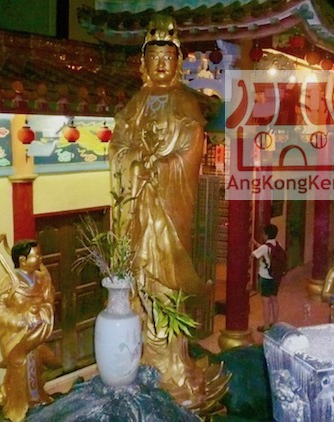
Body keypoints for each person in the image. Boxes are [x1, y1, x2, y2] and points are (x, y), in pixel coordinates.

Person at [108, 15, 226, 411]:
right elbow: (117, 149)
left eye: (168, 58)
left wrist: (155, 168)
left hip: (167, 210)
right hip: (137, 211)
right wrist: (132, 164)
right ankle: (140, 359)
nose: (161, 64)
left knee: (164, 282)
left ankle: (172, 366)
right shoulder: (136, 103)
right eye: (154, 57)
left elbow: (190, 152)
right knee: (137, 283)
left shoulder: (185, 101)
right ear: (143, 62)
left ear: (178, 62)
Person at [0, 238, 57, 422]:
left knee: (37, 364)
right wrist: (22, 318)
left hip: (36, 334)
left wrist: (42, 311)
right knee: (20, 364)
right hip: (19, 336)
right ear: (22, 260)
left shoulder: (41, 279)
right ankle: (16, 407)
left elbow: (49, 300)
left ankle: (37, 398)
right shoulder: (8, 282)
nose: (40, 258)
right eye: (36, 255)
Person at [251, 224, 281, 332]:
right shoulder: (278, 244)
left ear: (266, 234)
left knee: (266, 302)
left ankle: (266, 325)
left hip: (265, 277)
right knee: (274, 300)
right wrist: (256, 243)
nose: (262, 235)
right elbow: (266, 249)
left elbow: (253, 255)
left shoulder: (264, 248)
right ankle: (276, 323)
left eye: (263, 233)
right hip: (275, 277)